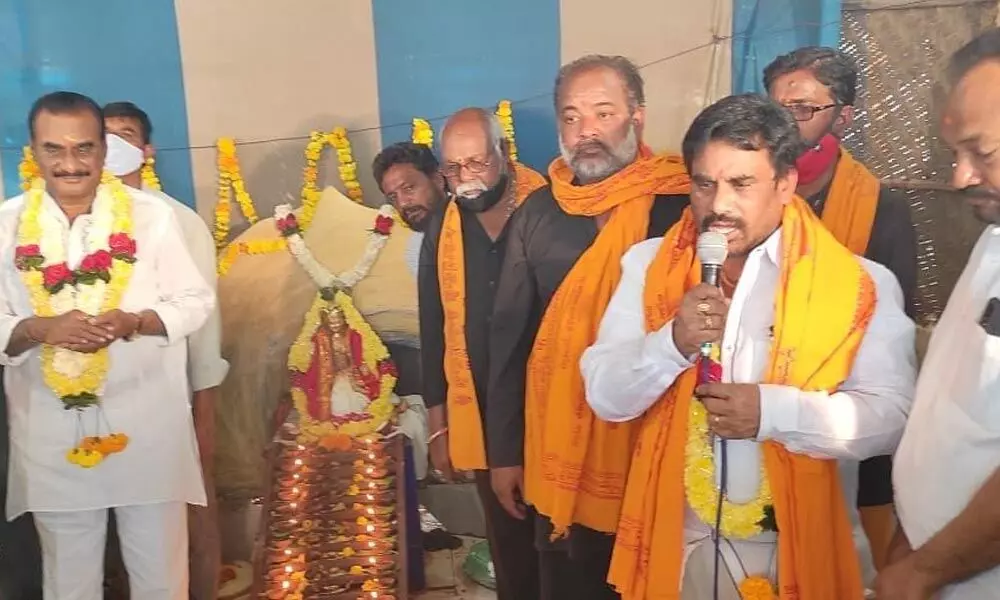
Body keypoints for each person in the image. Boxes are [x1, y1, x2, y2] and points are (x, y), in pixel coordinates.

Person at [581, 94, 916, 599]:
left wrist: (774, 413)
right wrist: (673, 342)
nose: (719, 205)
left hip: (797, 548)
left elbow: (893, 417)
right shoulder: (649, 268)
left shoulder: (859, 284)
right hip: (678, 547)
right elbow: (605, 395)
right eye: (704, 184)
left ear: (785, 183)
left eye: (741, 184)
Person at [487, 55, 690, 599]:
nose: (588, 132)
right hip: (559, 451)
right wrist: (504, 451)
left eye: (604, 113)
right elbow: (508, 335)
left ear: (637, 117)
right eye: (572, 117)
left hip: (654, 443)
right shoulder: (538, 212)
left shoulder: (681, 201)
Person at [0, 91, 213, 599]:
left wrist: (135, 320)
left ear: (103, 150)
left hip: (148, 427)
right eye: (54, 149)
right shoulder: (6, 224)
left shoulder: (151, 217)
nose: (70, 164)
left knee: (161, 578)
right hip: (51, 433)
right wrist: (39, 329)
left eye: (84, 149)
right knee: (68, 582)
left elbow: (194, 301)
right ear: (33, 151)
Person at [764, 48, 919, 574]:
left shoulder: (882, 209)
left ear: (844, 116)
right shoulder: (754, 198)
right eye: (777, 107)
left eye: (803, 108)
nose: (786, 122)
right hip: (757, 416)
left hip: (845, 423)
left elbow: (893, 330)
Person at [877, 28, 1000, 600]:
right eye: (956, 155)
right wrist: (911, 532)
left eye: (984, 153)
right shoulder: (992, 238)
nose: (961, 177)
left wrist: (924, 571)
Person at [418, 107, 546, 600]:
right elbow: (433, 329)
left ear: (505, 154)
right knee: (511, 547)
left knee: (561, 547)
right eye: (453, 170)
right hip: (485, 414)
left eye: (477, 164)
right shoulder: (442, 229)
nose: (466, 181)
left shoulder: (550, 211)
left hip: (550, 406)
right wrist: (438, 425)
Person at [102, 100, 228, 600]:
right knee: (131, 528)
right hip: (109, 406)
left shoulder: (178, 221)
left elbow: (205, 328)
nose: (113, 145)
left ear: (146, 150)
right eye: (103, 134)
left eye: (125, 135)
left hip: (178, 400)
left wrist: (205, 413)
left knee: (193, 515)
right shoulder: (81, 223)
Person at [373, 141, 448, 232]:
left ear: (438, 180)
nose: (402, 203)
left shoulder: (468, 224)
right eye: (393, 197)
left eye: (408, 188)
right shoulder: (414, 243)